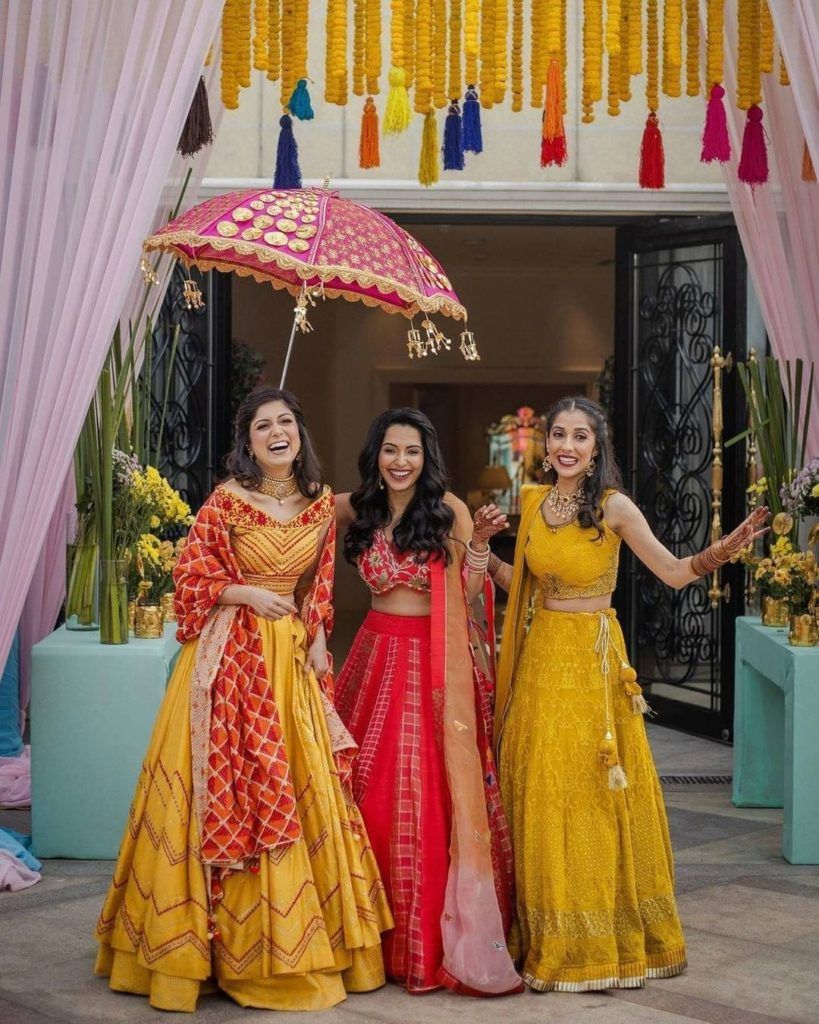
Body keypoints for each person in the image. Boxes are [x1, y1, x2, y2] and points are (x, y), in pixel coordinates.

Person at [95, 387, 392, 1013]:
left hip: (287, 661)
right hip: (226, 656)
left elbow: (320, 584)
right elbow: (190, 576)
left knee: (291, 781)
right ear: (248, 440)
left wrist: (315, 637)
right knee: (222, 783)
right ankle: (202, 949)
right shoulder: (227, 500)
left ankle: (291, 947)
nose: (277, 432)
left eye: (287, 421)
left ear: (299, 434)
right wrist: (246, 595)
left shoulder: (317, 504)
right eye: (264, 426)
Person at [488, 394, 769, 993]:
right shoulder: (534, 503)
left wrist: (726, 548)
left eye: (579, 437)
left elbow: (670, 571)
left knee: (588, 791)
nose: (565, 445)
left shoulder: (613, 507)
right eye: (558, 434)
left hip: (591, 663)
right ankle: (544, 935)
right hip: (541, 662)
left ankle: (595, 939)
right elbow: (525, 589)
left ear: (596, 449)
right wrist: (477, 552)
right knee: (539, 788)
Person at [333, 408, 522, 997]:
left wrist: (480, 546)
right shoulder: (354, 508)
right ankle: (361, 937)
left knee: (420, 793)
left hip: (432, 662)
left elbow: (467, 593)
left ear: (426, 457)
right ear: (376, 454)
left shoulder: (448, 513)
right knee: (362, 790)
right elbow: (290, 510)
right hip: (372, 657)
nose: (400, 462)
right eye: (390, 450)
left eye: (411, 451)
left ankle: (424, 942)